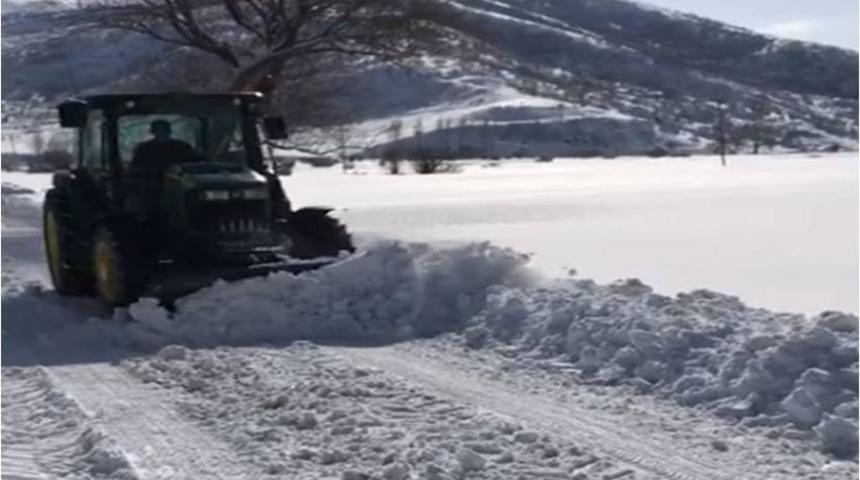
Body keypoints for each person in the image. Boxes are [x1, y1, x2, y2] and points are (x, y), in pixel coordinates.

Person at [130, 119, 196, 174]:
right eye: (159, 130)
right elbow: (136, 168)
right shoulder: (143, 147)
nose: (161, 133)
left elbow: (191, 165)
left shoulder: (182, 146)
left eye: (163, 130)